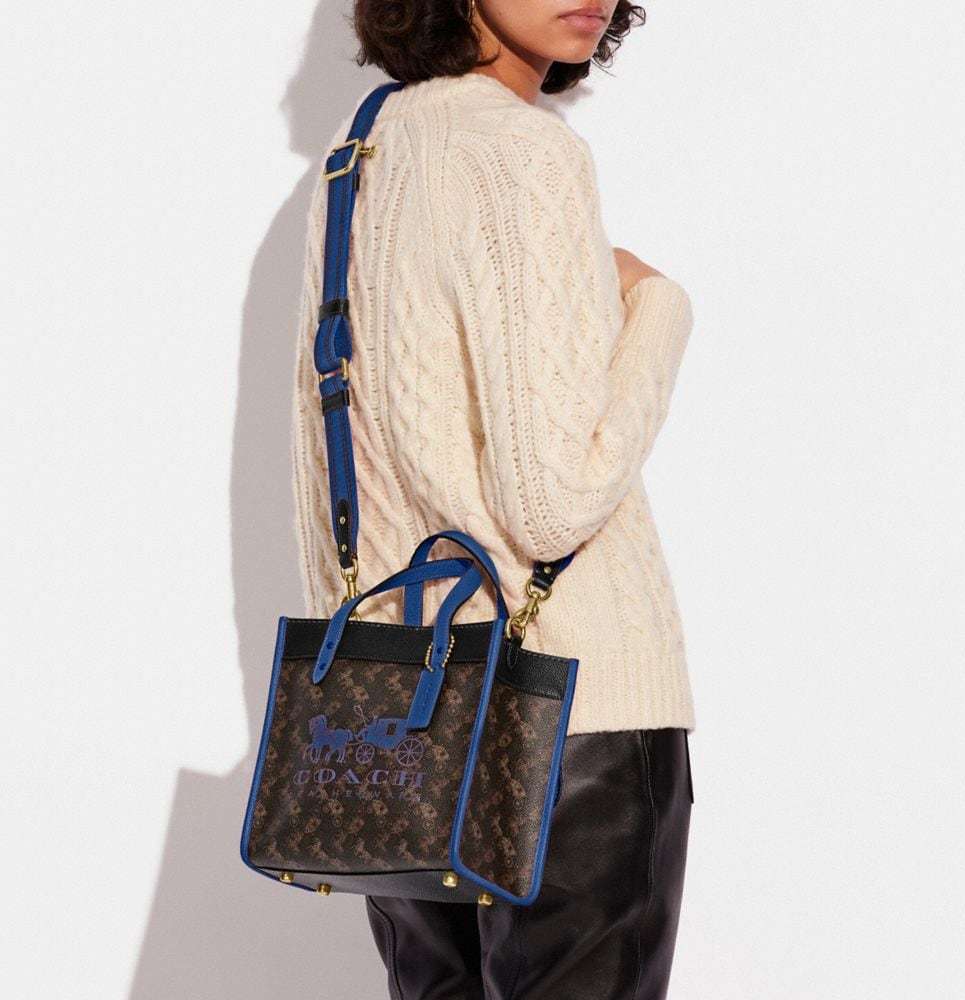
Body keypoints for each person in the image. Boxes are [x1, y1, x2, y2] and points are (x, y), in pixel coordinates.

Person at [290, 1, 696, 996]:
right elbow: (553, 505)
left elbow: (338, 469)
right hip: (574, 716)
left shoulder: (358, 155)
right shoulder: (521, 152)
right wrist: (658, 306)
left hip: (394, 725)